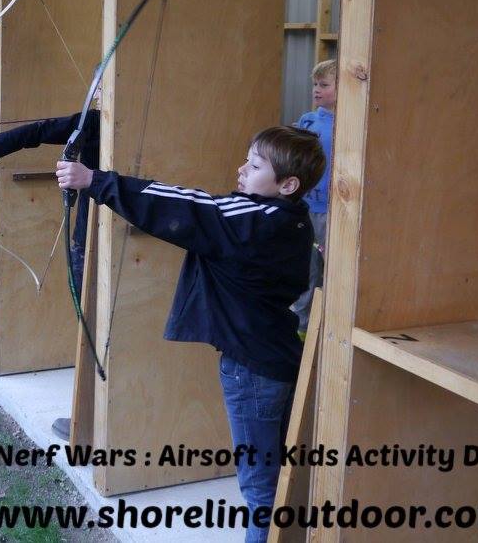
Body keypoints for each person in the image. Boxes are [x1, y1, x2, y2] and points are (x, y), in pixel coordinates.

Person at [56, 126, 325, 543]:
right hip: (274, 358)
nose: (242, 169)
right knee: (273, 478)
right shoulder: (290, 219)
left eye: (254, 166)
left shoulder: (253, 220)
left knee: (260, 491)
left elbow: (190, 207)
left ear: (288, 184)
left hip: (252, 370)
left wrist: (94, 181)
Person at [0, 105, 100, 441]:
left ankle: (92, 421)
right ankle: (97, 417)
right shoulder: (105, 119)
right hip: (107, 236)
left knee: (95, 329)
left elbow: (38, 129)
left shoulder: (98, 119)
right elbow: (38, 129)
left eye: (101, 85)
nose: (97, 93)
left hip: (94, 239)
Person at [291, 59, 336, 333]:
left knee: (332, 269)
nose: (316, 90)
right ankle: (301, 328)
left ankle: (330, 328)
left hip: (332, 212)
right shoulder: (308, 121)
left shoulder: (350, 125)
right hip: (306, 207)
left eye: (324, 85)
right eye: (314, 85)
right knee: (306, 270)